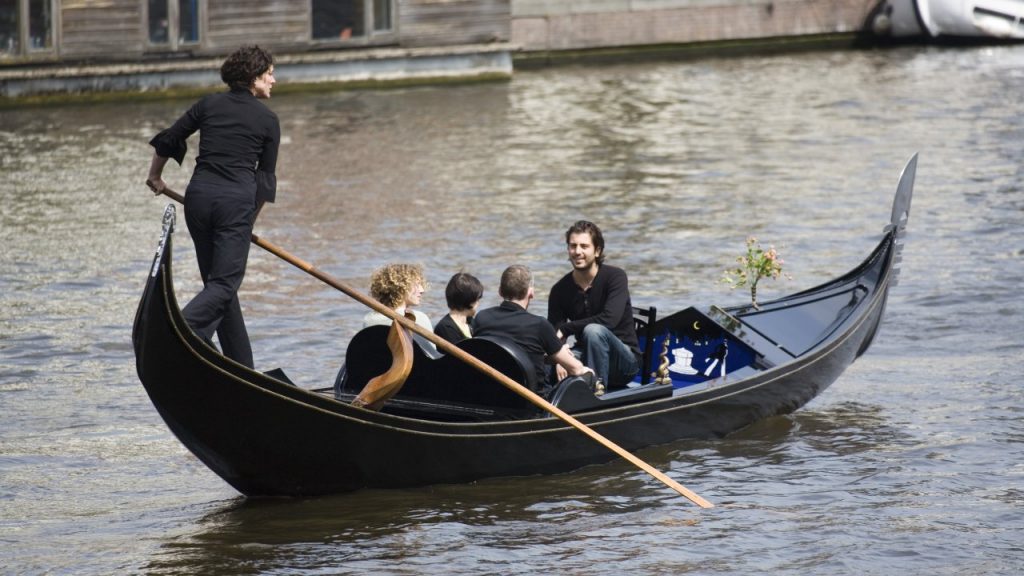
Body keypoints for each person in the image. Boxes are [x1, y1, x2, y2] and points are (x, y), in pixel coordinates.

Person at [145, 45, 279, 369]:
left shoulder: (209, 104)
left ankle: (241, 368)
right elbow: (265, 182)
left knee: (219, 289)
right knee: (224, 284)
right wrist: (247, 222)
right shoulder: (268, 120)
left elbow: (171, 138)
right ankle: (184, 328)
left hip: (199, 202)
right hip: (234, 205)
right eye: (270, 74)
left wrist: (155, 176)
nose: (274, 80)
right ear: (253, 77)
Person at [547, 220, 640, 388]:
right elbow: (555, 332)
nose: (577, 252)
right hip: (585, 354)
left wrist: (568, 328)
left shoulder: (616, 277)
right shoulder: (559, 289)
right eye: (573, 246)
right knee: (545, 362)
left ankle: (596, 393)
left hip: (624, 362)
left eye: (584, 246)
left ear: (597, 251)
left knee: (594, 331)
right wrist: (560, 358)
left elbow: (609, 320)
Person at [473, 265, 592, 386]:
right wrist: (584, 369)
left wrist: (551, 356)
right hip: (531, 398)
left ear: (500, 291)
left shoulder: (481, 318)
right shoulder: (539, 325)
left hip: (491, 390)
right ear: (531, 293)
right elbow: (576, 369)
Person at [363, 263, 433, 334]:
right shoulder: (419, 318)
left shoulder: (369, 319)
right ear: (401, 287)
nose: (422, 290)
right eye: (416, 285)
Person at [434, 272, 484, 345]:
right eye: (477, 299)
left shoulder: (472, 322)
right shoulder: (445, 328)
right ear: (469, 300)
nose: (478, 303)